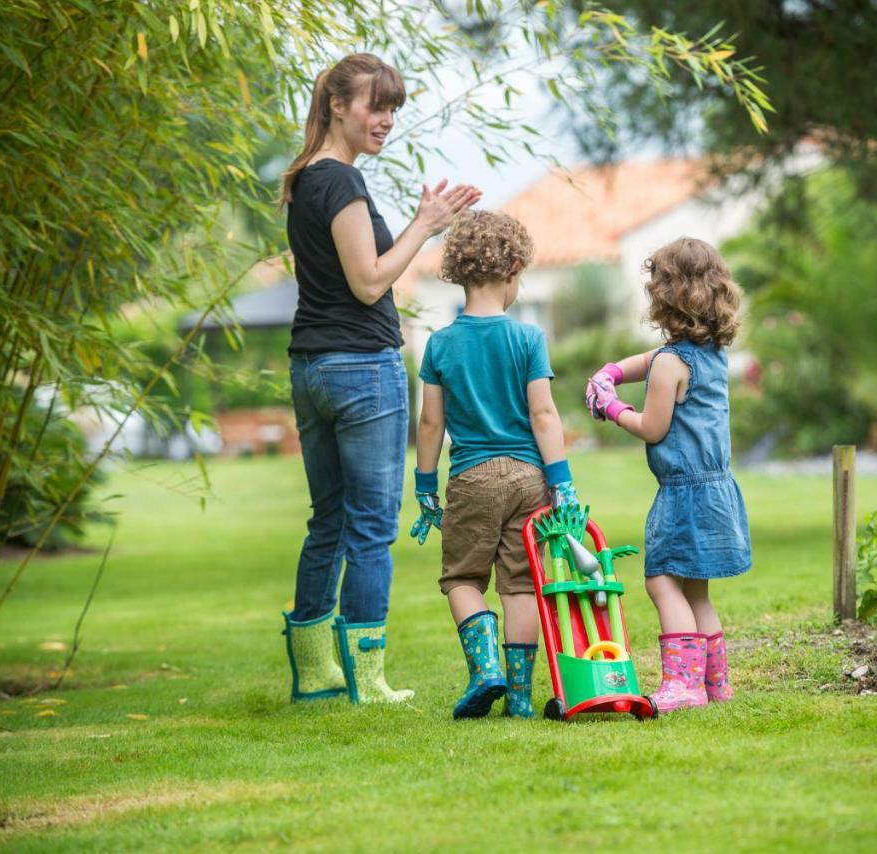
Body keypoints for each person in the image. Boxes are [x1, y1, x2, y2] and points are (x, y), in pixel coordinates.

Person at [279, 53, 481, 705]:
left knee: (329, 521)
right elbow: (369, 282)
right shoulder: (340, 183)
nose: (386, 119)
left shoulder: (306, 179)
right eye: (375, 105)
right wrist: (425, 226)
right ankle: (367, 677)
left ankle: (315, 672)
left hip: (311, 367)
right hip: (361, 370)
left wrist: (420, 223)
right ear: (338, 105)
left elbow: (347, 275)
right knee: (368, 526)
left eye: (393, 108)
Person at [410, 210, 579, 719]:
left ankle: (486, 671)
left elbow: (429, 425)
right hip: (530, 477)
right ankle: (522, 698)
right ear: (512, 271)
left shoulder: (440, 344)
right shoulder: (527, 339)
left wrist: (424, 486)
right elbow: (544, 414)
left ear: (458, 274)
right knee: (523, 584)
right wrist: (562, 483)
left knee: (462, 580)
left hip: (471, 477)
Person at [585, 237, 751, 713]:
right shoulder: (710, 354)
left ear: (665, 296)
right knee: (695, 587)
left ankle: (682, 686)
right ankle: (715, 683)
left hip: (683, 493)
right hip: (717, 486)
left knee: (661, 581)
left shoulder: (669, 364)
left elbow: (653, 428)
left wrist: (611, 406)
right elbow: (649, 361)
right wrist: (612, 370)